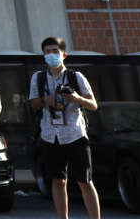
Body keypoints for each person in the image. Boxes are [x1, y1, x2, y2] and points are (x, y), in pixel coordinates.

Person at [28, 36, 100, 219]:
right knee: (58, 180)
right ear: (43, 55)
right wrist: (47, 100)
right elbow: (33, 103)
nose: (51, 55)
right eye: (47, 52)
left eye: (55, 51)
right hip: (50, 135)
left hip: (75, 134)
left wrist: (77, 99)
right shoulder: (38, 78)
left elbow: (93, 104)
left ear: (64, 54)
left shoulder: (76, 76)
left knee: (85, 181)